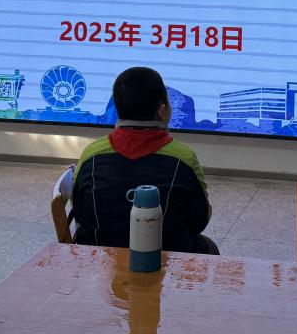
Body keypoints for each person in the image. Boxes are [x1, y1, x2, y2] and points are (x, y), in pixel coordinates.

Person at [71, 67, 217, 254]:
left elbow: (80, 212)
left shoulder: (91, 154)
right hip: (165, 260)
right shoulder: (183, 158)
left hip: (99, 259)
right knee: (208, 247)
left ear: (117, 108)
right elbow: (199, 221)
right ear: (163, 110)